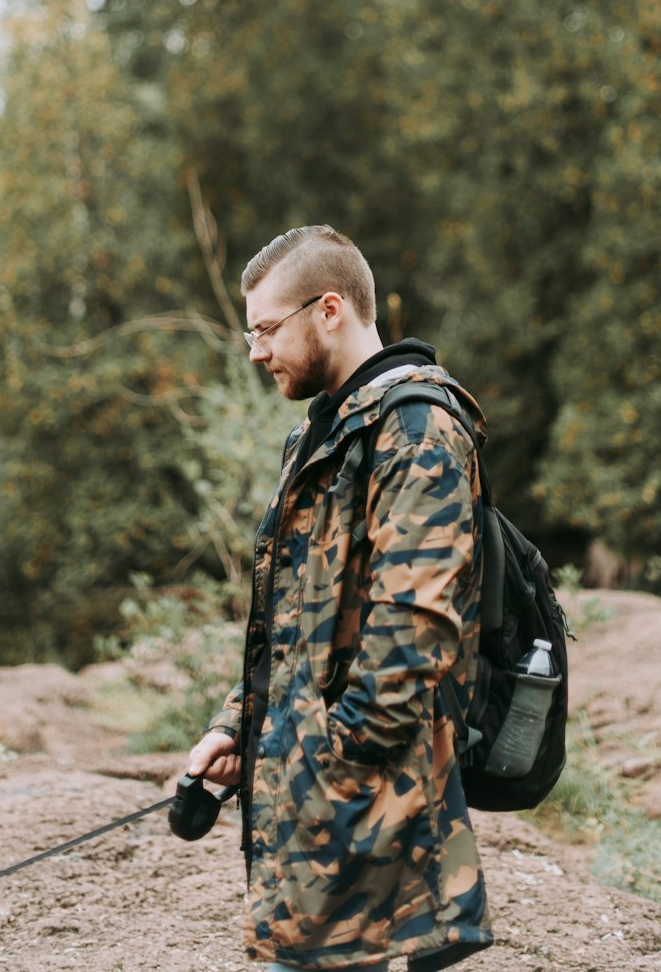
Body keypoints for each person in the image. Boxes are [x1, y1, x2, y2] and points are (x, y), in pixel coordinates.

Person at [188, 225, 492, 970]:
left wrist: (324, 768)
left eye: (265, 329)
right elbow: (298, 625)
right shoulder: (323, 436)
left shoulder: (417, 428)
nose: (255, 351)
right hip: (319, 819)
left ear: (330, 310)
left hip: (375, 832)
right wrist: (242, 726)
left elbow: (412, 637)